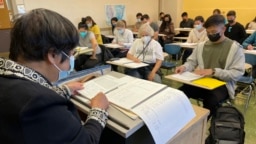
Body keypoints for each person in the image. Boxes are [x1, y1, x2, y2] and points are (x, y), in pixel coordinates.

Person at [0, 8, 109, 144]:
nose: (71, 60)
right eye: (70, 54)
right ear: (52, 55)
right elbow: (85, 141)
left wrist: (64, 90)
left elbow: (29, 92)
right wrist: (99, 110)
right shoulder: (40, 104)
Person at [175, 14, 245, 118]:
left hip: (222, 85)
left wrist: (214, 71)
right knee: (179, 94)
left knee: (211, 100)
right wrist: (184, 67)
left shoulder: (235, 48)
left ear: (223, 29)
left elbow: (237, 73)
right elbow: (192, 62)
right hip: (202, 81)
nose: (210, 35)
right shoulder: (202, 46)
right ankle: (179, 120)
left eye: (214, 32)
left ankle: (200, 124)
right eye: (208, 32)